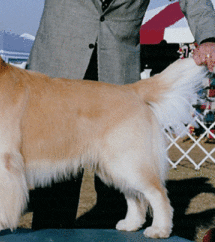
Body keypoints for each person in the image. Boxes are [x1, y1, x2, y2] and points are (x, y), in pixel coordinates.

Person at [27, 0, 215, 230]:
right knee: (53, 186)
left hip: (117, 74)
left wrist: (209, 38)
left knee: (118, 188)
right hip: (57, 68)